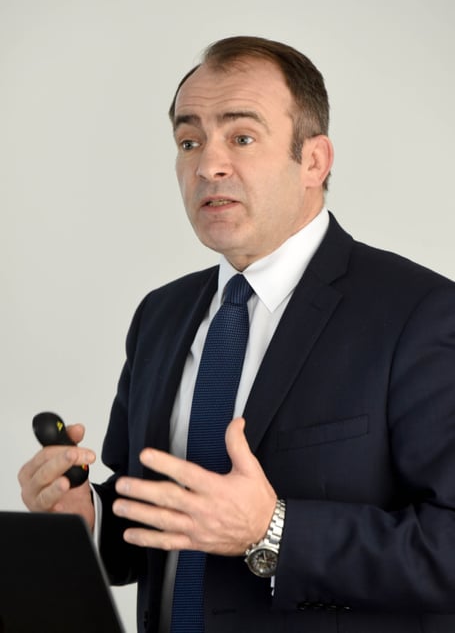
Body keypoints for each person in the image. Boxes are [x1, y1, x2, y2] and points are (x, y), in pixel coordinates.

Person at [18, 36, 455, 633]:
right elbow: (155, 515)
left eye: (242, 138)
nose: (207, 166)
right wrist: (87, 515)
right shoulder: (160, 315)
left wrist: (273, 531)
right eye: (189, 141)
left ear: (314, 161)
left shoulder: (422, 313)